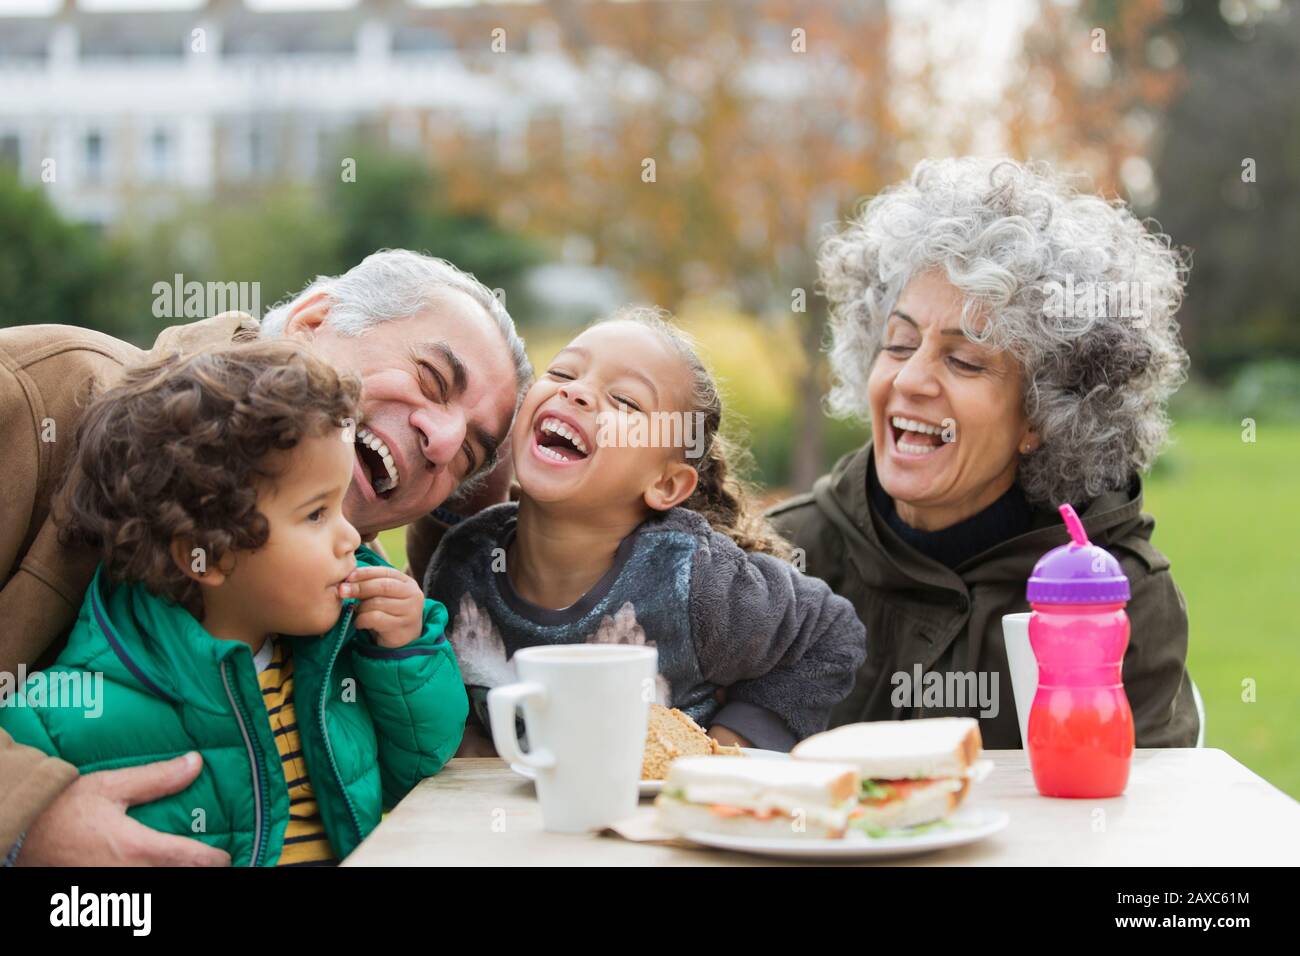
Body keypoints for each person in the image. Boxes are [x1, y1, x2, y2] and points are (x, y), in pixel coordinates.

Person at [0, 248, 526, 865]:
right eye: (433, 379)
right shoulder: (37, 394)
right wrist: (24, 817)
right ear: (310, 321)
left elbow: (415, 754)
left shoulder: (344, 598)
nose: (442, 443)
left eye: (466, 456)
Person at [768, 157, 1200, 749]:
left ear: (1043, 416)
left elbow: (1133, 830)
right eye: (898, 344)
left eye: (964, 360)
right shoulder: (780, 561)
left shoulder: (1111, 598)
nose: (909, 380)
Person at [425, 308, 866, 754]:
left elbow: (829, 631)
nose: (576, 393)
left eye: (627, 401)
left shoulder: (693, 578)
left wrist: (723, 751)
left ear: (666, 484)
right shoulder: (464, 561)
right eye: (562, 372)